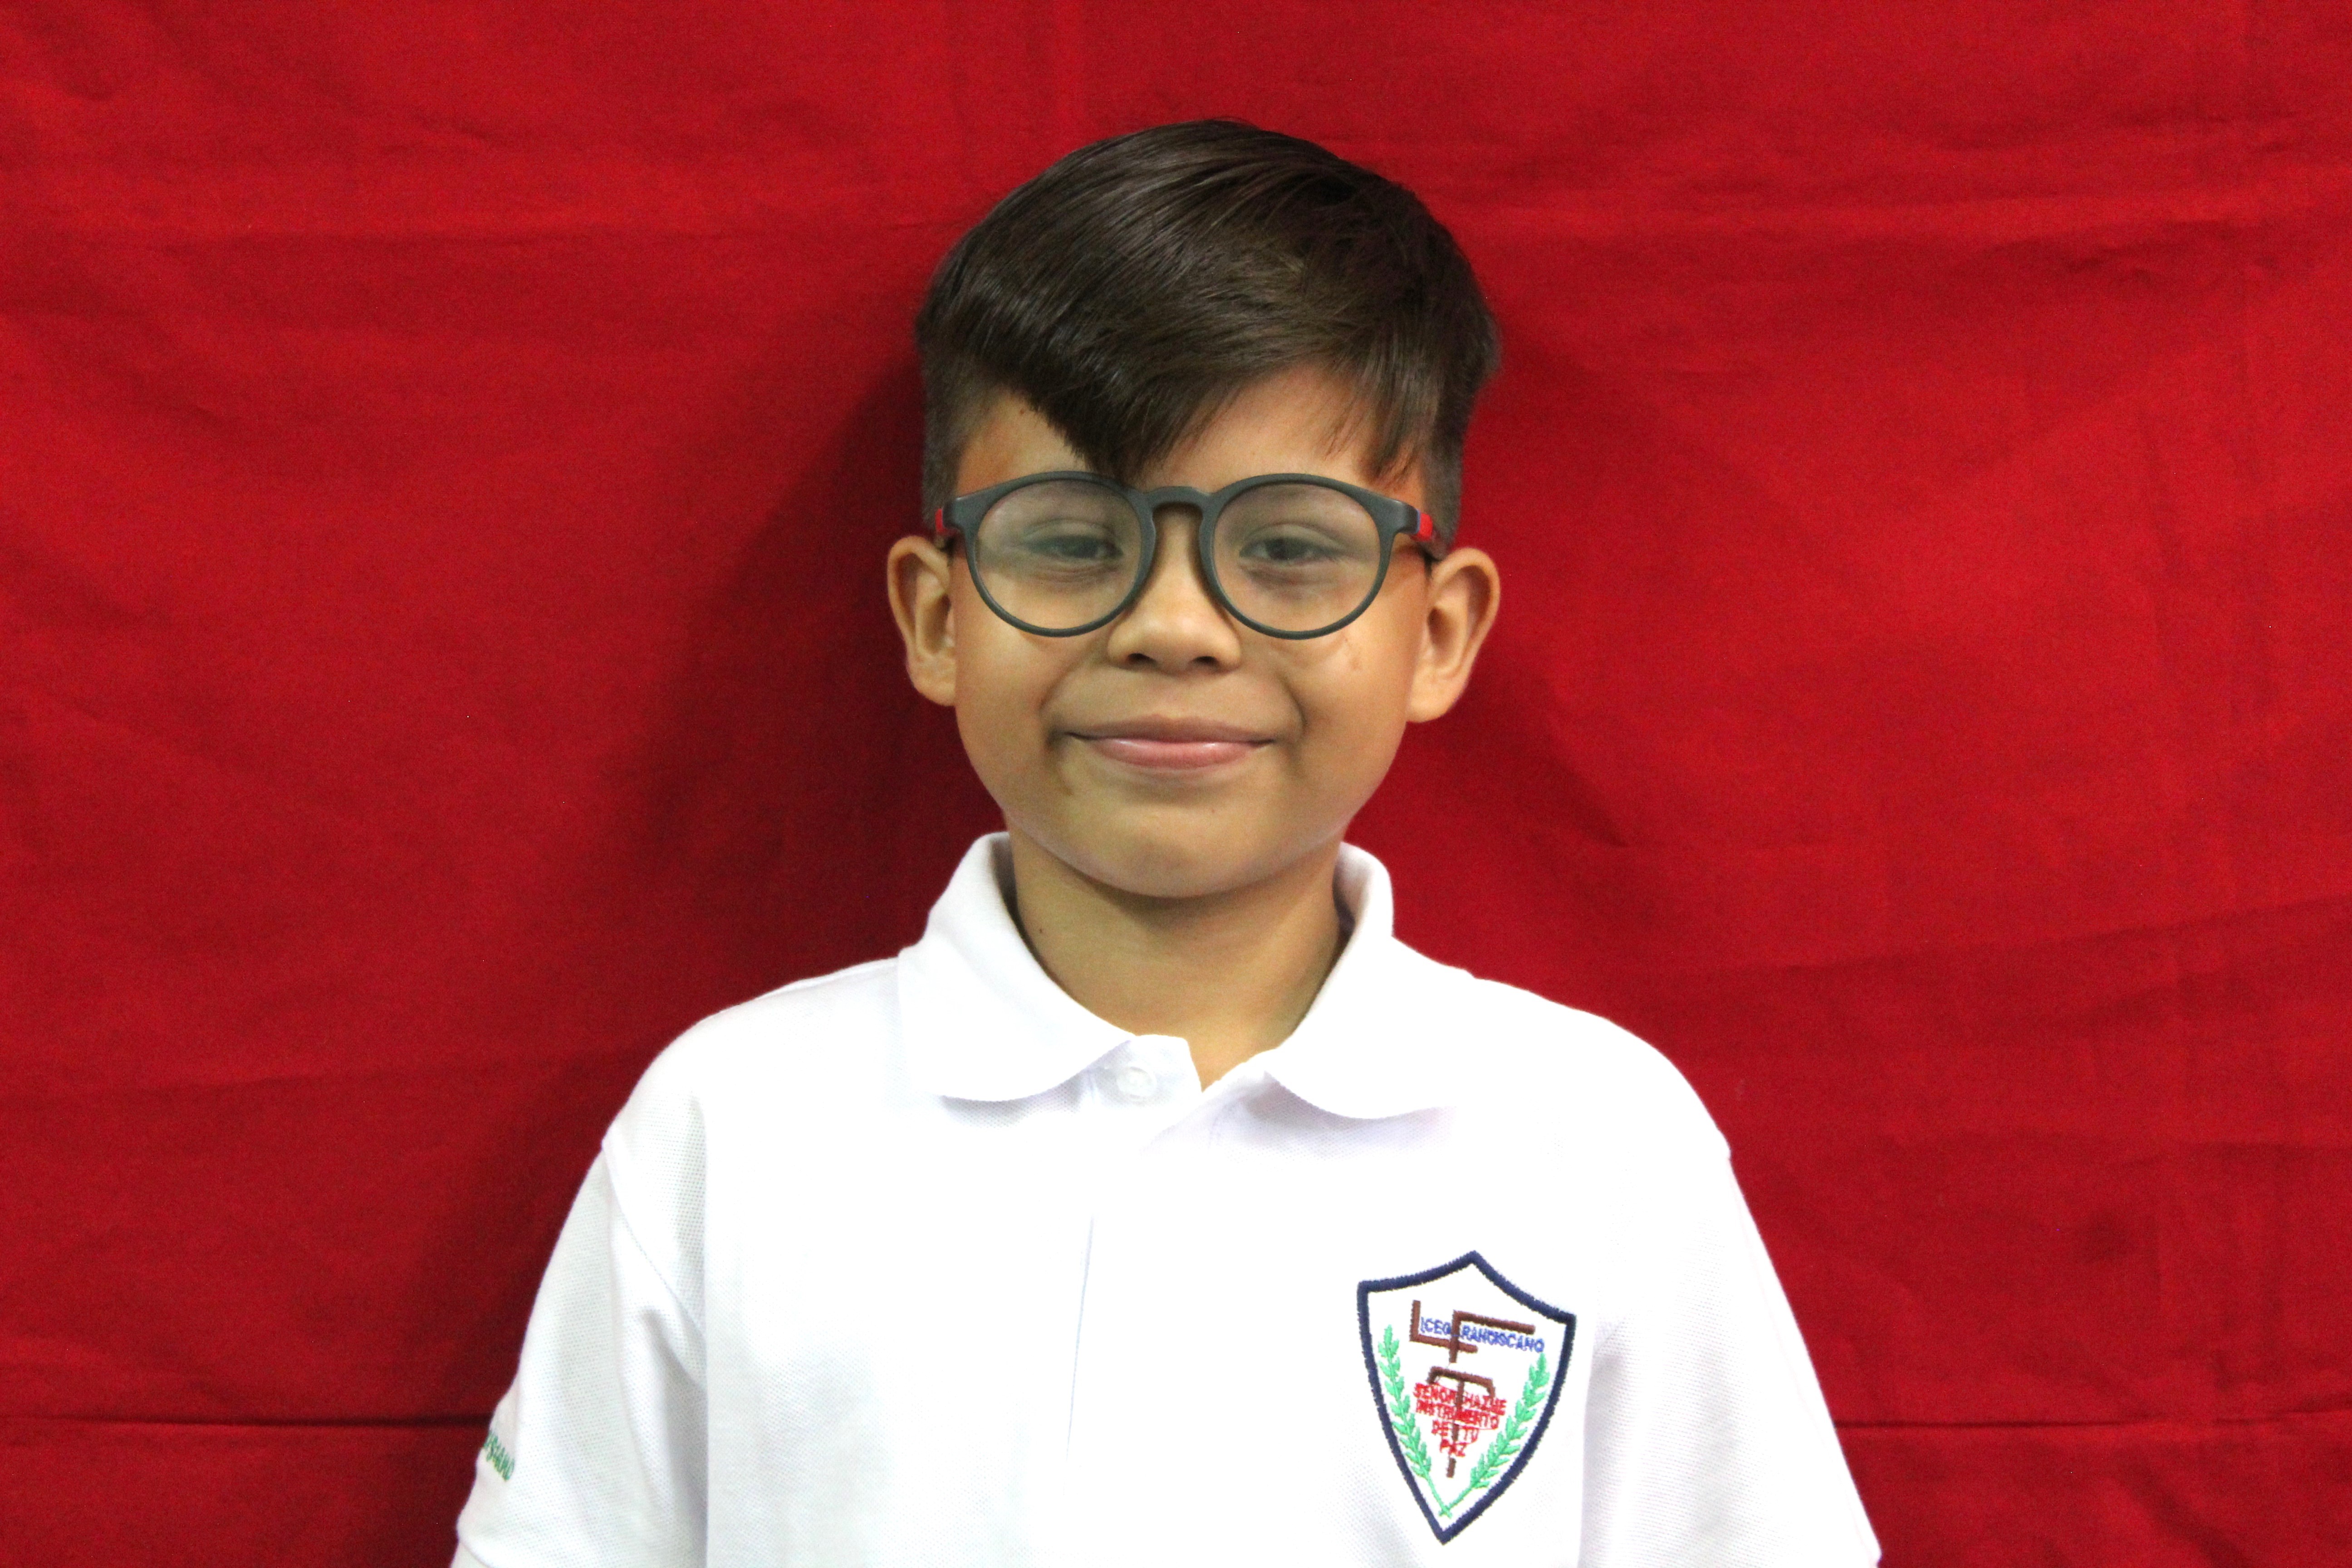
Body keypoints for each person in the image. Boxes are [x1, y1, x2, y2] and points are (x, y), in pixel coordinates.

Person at [451, 120, 1880, 1568]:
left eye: (1291, 548)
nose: (1175, 627)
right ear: (939, 619)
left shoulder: (1596, 1141)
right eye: (1073, 540)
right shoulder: (738, 1128)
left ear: (1439, 634)